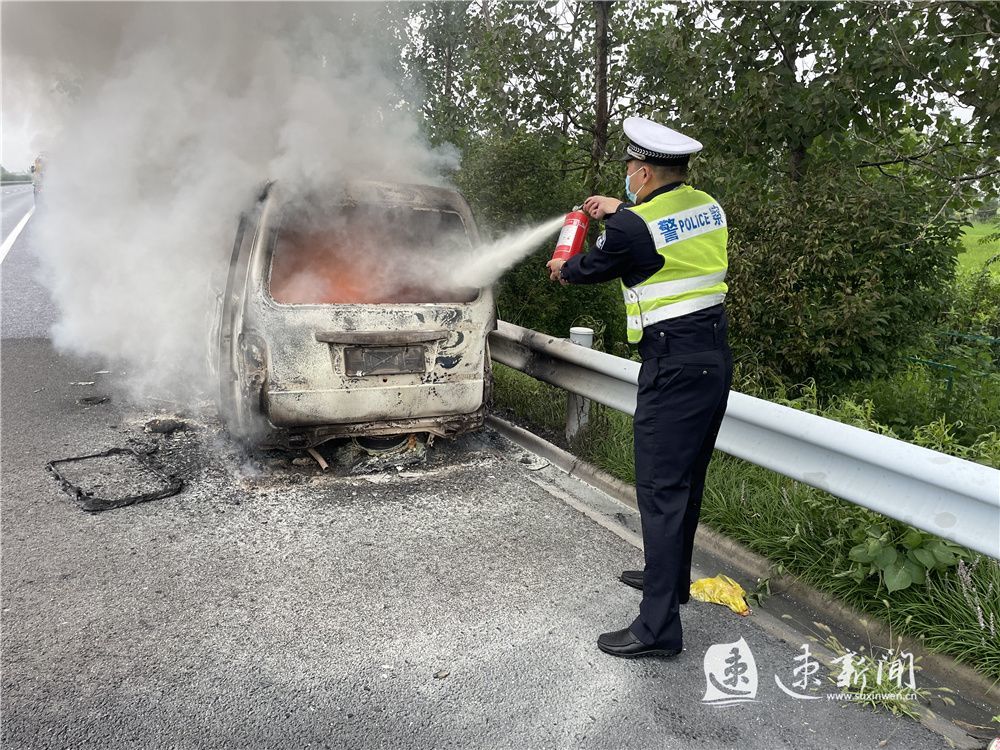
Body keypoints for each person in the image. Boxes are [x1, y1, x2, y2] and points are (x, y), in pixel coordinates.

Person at [546, 116, 733, 659]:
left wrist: (563, 264)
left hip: (671, 367)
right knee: (686, 483)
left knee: (658, 488)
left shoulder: (631, 228)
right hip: (712, 360)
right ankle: (669, 581)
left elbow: (588, 267)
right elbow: (659, 230)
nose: (627, 178)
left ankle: (657, 630)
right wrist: (621, 208)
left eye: (630, 171)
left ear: (645, 171)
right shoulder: (708, 207)